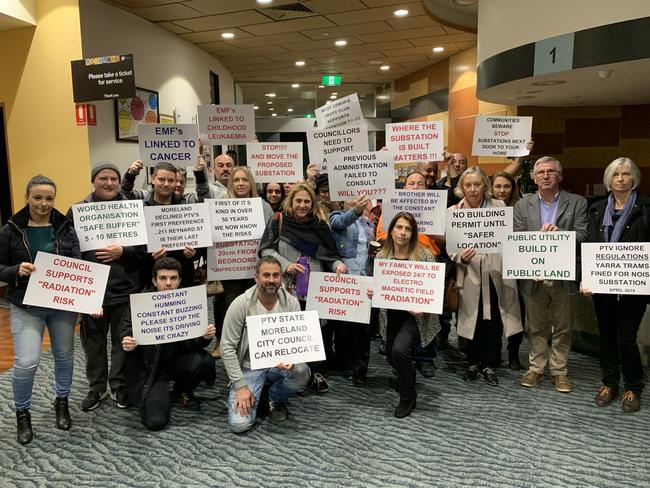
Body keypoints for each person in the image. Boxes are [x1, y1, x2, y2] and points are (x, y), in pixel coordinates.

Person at [0, 175, 80, 444]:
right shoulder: (10, 229)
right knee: (27, 362)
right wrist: (15, 271)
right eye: (37, 197)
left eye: (49, 198)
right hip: (26, 304)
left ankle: (62, 401)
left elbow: (78, 264)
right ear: (27, 197)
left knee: (64, 355)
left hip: (61, 304)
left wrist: (86, 299)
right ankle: (23, 413)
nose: (44, 203)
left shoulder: (66, 226)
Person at [68, 162, 146, 412]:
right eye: (103, 178)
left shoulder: (132, 209)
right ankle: (96, 387)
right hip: (91, 291)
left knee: (122, 341)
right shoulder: (78, 211)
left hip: (125, 288)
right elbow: (69, 251)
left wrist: (124, 250)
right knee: (93, 343)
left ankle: (118, 385)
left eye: (113, 178)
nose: (109, 183)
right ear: (94, 181)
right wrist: (83, 293)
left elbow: (145, 248)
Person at [258, 183, 346, 394]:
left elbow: (330, 256)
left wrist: (338, 266)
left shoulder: (320, 226)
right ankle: (293, 373)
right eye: (298, 200)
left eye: (307, 201)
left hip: (316, 287)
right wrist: (285, 265)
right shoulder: (278, 221)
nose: (302, 205)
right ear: (291, 201)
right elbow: (265, 250)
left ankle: (315, 371)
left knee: (316, 331)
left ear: (312, 203)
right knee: (291, 330)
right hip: (287, 288)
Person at [514, 156, 588, 393]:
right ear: (534, 178)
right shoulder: (522, 205)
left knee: (563, 326)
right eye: (541, 172)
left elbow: (584, 236)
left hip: (563, 276)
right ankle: (536, 368)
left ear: (560, 176)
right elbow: (517, 240)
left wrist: (561, 234)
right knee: (535, 326)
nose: (545, 176)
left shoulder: (577, 203)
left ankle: (559, 371)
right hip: (533, 276)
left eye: (551, 172)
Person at [583, 157, 650, 412]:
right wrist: (587, 278)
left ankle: (634, 387)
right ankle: (609, 382)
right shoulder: (597, 209)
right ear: (608, 180)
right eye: (615, 175)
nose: (621, 179)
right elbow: (589, 245)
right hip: (602, 284)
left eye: (626, 174)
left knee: (626, 338)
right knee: (607, 336)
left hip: (634, 285)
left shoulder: (646, 207)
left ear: (635, 179)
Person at [120, 257, 216, 431]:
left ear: (179, 280)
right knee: (155, 422)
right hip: (151, 370)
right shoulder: (140, 302)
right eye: (163, 278)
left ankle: (181, 390)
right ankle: (157, 394)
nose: (168, 283)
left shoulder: (188, 300)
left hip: (177, 360)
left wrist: (205, 337)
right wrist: (128, 342)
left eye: (173, 278)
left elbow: (196, 344)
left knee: (205, 361)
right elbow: (125, 331)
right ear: (154, 281)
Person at [221, 256, 311, 433]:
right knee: (239, 425)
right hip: (249, 366)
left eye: (276, 275)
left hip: (279, 364)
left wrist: (292, 359)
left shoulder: (291, 302)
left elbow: (296, 339)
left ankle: (273, 397)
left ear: (281, 278)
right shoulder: (241, 304)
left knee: (302, 372)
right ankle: (253, 391)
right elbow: (226, 348)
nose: (271, 280)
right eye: (266, 275)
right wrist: (240, 386)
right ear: (256, 277)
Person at [451, 167, 522, 386]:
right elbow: (451, 248)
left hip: (495, 272)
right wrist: (460, 257)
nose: (472, 189)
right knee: (472, 319)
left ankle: (489, 363)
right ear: (462, 187)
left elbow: (510, 239)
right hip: (470, 273)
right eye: (468, 185)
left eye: (477, 184)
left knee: (494, 320)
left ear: (485, 186)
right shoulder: (454, 211)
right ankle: (473, 362)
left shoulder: (499, 207)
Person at [367, 212, 440, 418]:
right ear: (391, 231)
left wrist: (422, 307)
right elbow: (382, 287)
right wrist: (374, 291)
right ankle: (406, 376)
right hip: (391, 314)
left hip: (416, 317)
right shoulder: (382, 256)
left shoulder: (425, 256)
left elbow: (433, 291)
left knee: (400, 350)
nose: (403, 232)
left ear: (413, 233)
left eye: (408, 229)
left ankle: (408, 396)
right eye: (399, 227)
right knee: (391, 354)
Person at [212, 166, 273, 358]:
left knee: (257, 313)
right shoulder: (220, 205)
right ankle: (234, 358)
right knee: (234, 314)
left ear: (251, 183)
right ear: (231, 183)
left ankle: (257, 355)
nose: (240, 183)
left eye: (245, 180)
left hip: (257, 270)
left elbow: (271, 237)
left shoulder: (263, 206)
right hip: (231, 270)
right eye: (236, 180)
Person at [131, 161, 199, 289]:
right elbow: (135, 250)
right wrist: (150, 256)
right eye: (162, 179)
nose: (166, 184)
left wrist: (193, 253)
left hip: (183, 278)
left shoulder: (186, 208)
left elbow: (199, 246)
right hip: (150, 279)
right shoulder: (140, 209)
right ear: (153, 179)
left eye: (171, 180)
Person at [330, 194, 374, 385]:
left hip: (365, 281)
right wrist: (355, 211)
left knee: (363, 330)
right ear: (343, 201)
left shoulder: (368, 223)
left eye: (361, 197)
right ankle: (343, 363)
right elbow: (341, 222)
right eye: (352, 198)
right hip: (345, 282)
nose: (357, 200)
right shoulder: (336, 216)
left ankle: (360, 369)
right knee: (344, 329)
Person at [490, 170, 524, 370]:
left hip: (515, 266)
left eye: (507, 186)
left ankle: (513, 353)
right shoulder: (484, 208)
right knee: (493, 314)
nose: (502, 190)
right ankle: (493, 354)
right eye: (498, 186)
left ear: (513, 188)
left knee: (515, 312)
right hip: (492, 267)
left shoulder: (521, 208)